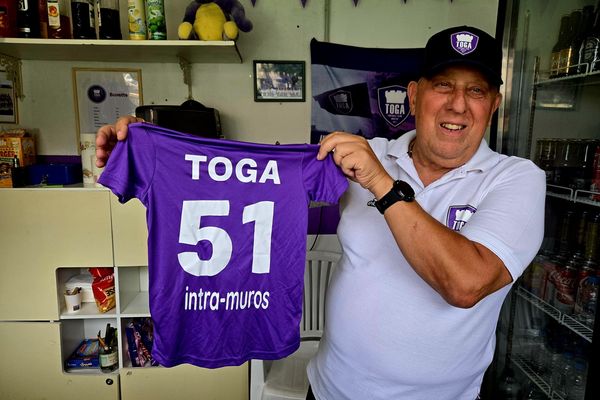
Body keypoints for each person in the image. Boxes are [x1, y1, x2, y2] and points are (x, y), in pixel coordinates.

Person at [96, 26, 545, 400]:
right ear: (413, 95)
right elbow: (249, 178)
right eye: (443, 85)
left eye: (476, 90)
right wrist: (150, 148)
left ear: (494, 106)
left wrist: (382, 184)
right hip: (331, 389)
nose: (458, 104)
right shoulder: (367, 154)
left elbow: (466, 284)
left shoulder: (517, 178)